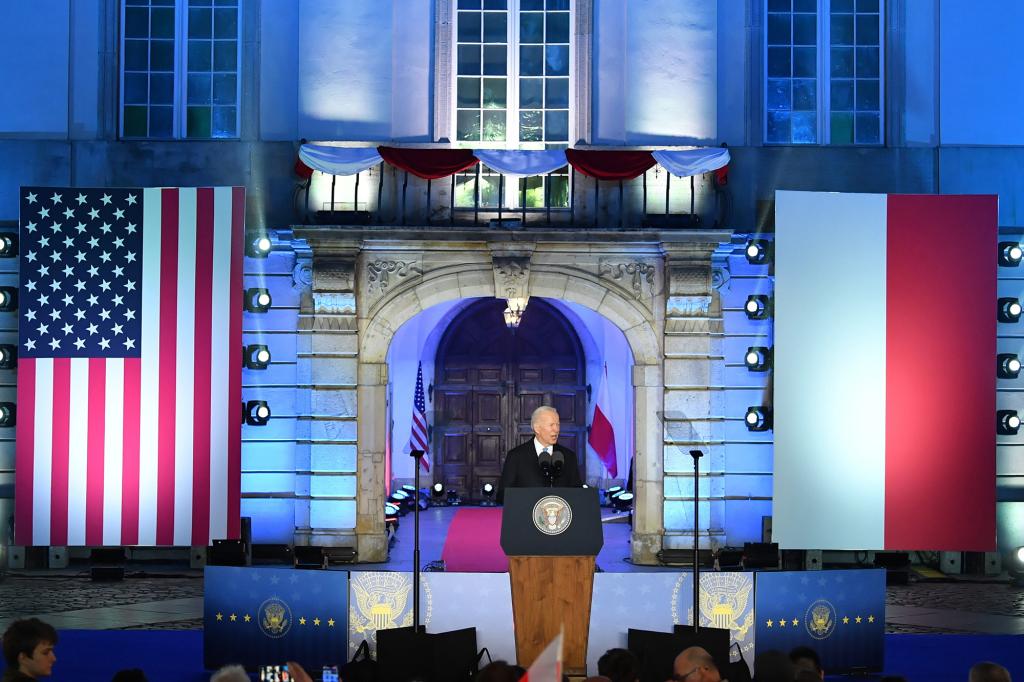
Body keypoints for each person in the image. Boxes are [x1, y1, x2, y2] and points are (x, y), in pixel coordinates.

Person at [498, 406, 582, 502]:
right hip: (525, 514)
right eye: (551, 425)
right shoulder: (516, 456)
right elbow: (503, 494)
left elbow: (578, 494)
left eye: (558, 425)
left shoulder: (569, 456)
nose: (556, 429)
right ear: (537, 428)